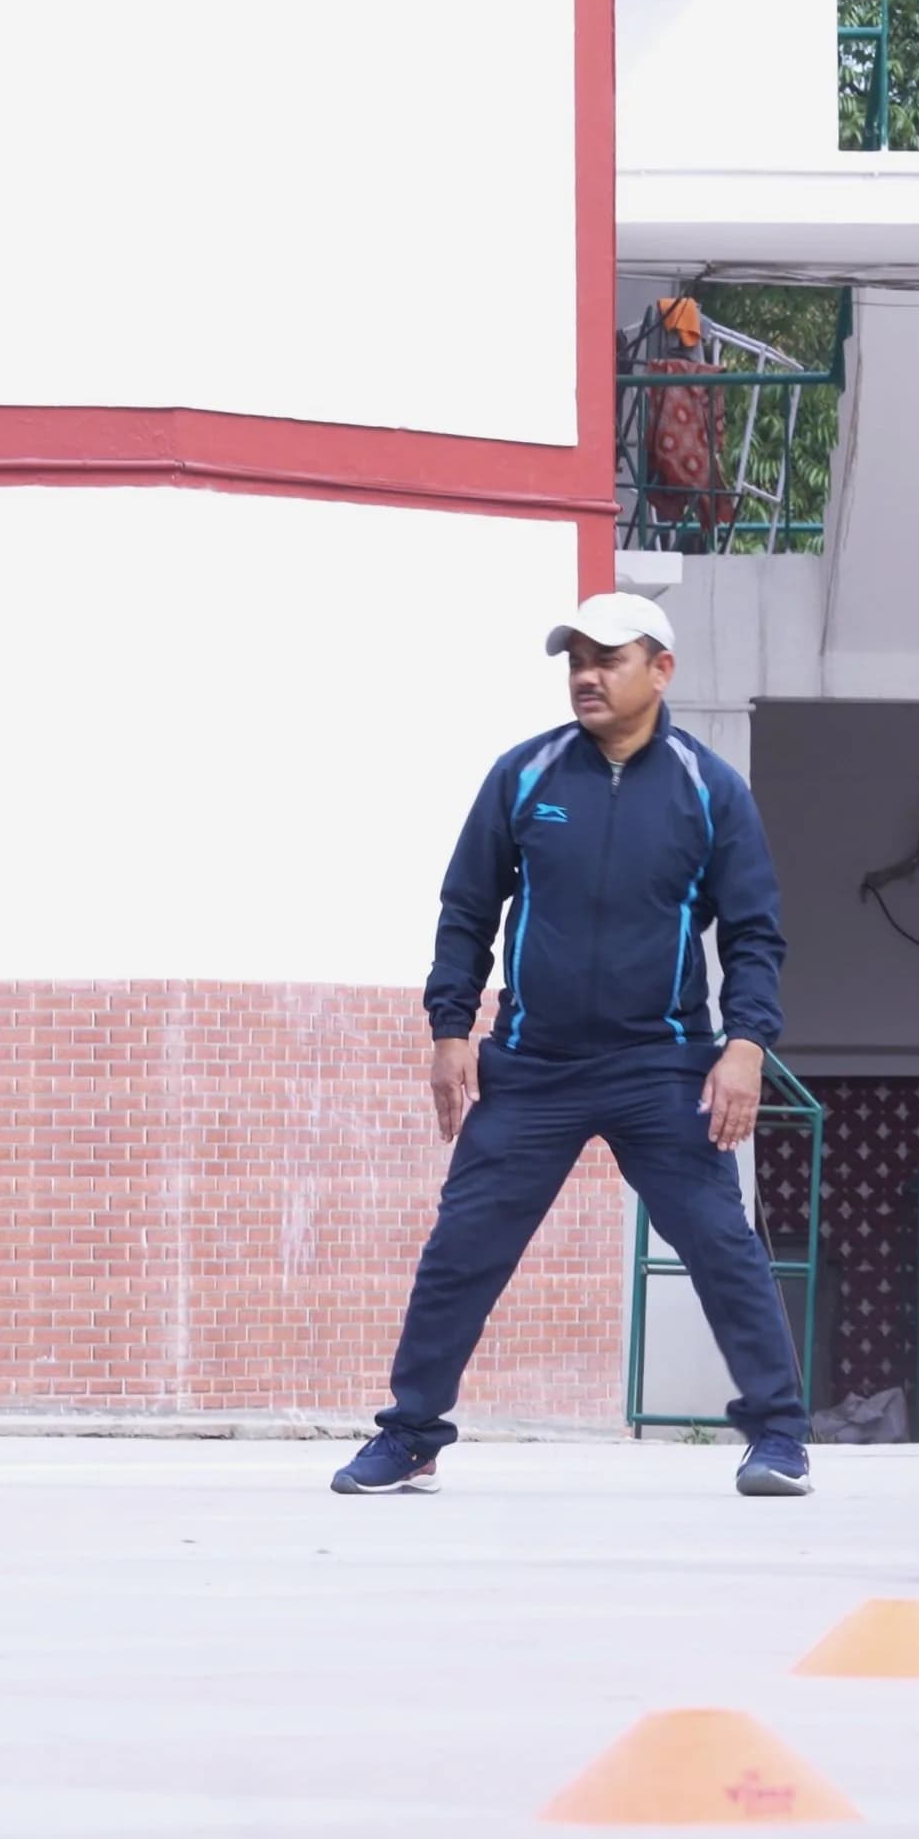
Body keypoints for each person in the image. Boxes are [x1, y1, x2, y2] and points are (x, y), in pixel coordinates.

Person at [330, 594, 813, 1496]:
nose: (587, 676)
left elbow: (754, 932)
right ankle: (412, 1436)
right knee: (463, 1244)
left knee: (720, 1240)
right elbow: (467, 908)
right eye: (576, 660)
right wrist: (450, 1028)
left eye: (609, 659)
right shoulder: (526, 776)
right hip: (533, 1068)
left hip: (660, 1067)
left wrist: (745, 1045)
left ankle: (779, 1435)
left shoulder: (710, 789)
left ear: (660, 670)